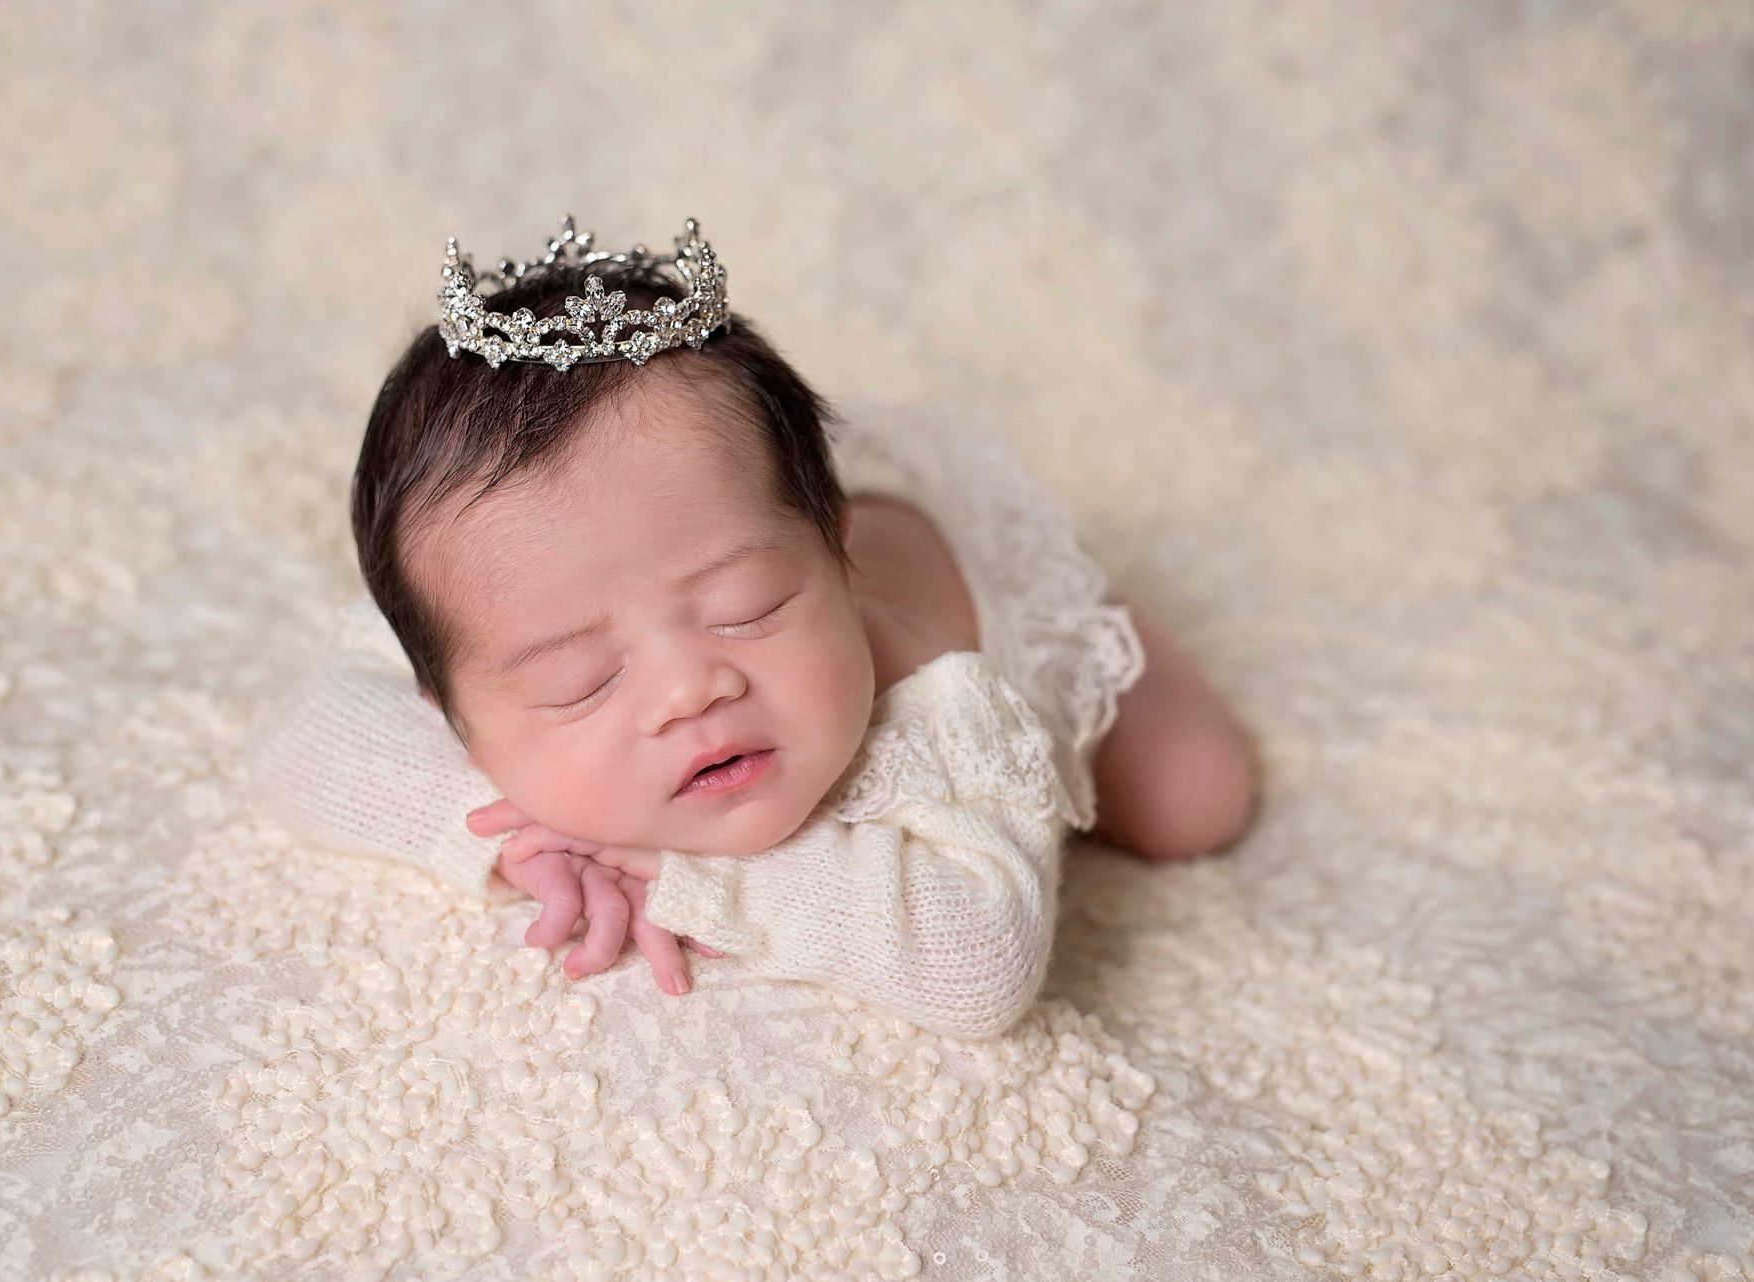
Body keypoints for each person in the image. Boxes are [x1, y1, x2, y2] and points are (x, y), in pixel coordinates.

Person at [245, 216, 1259, 1039]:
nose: (694, 687)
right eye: (583, 679)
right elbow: (301, 747)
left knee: (1197, 799)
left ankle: (1105, 611)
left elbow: (981, 959)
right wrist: (522, 841)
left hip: (978, 585)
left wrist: (678, 868)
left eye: (750, 609)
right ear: (449, 707)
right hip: (716, 539)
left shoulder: (939, 702)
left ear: (832, 558)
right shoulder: (498, 596)